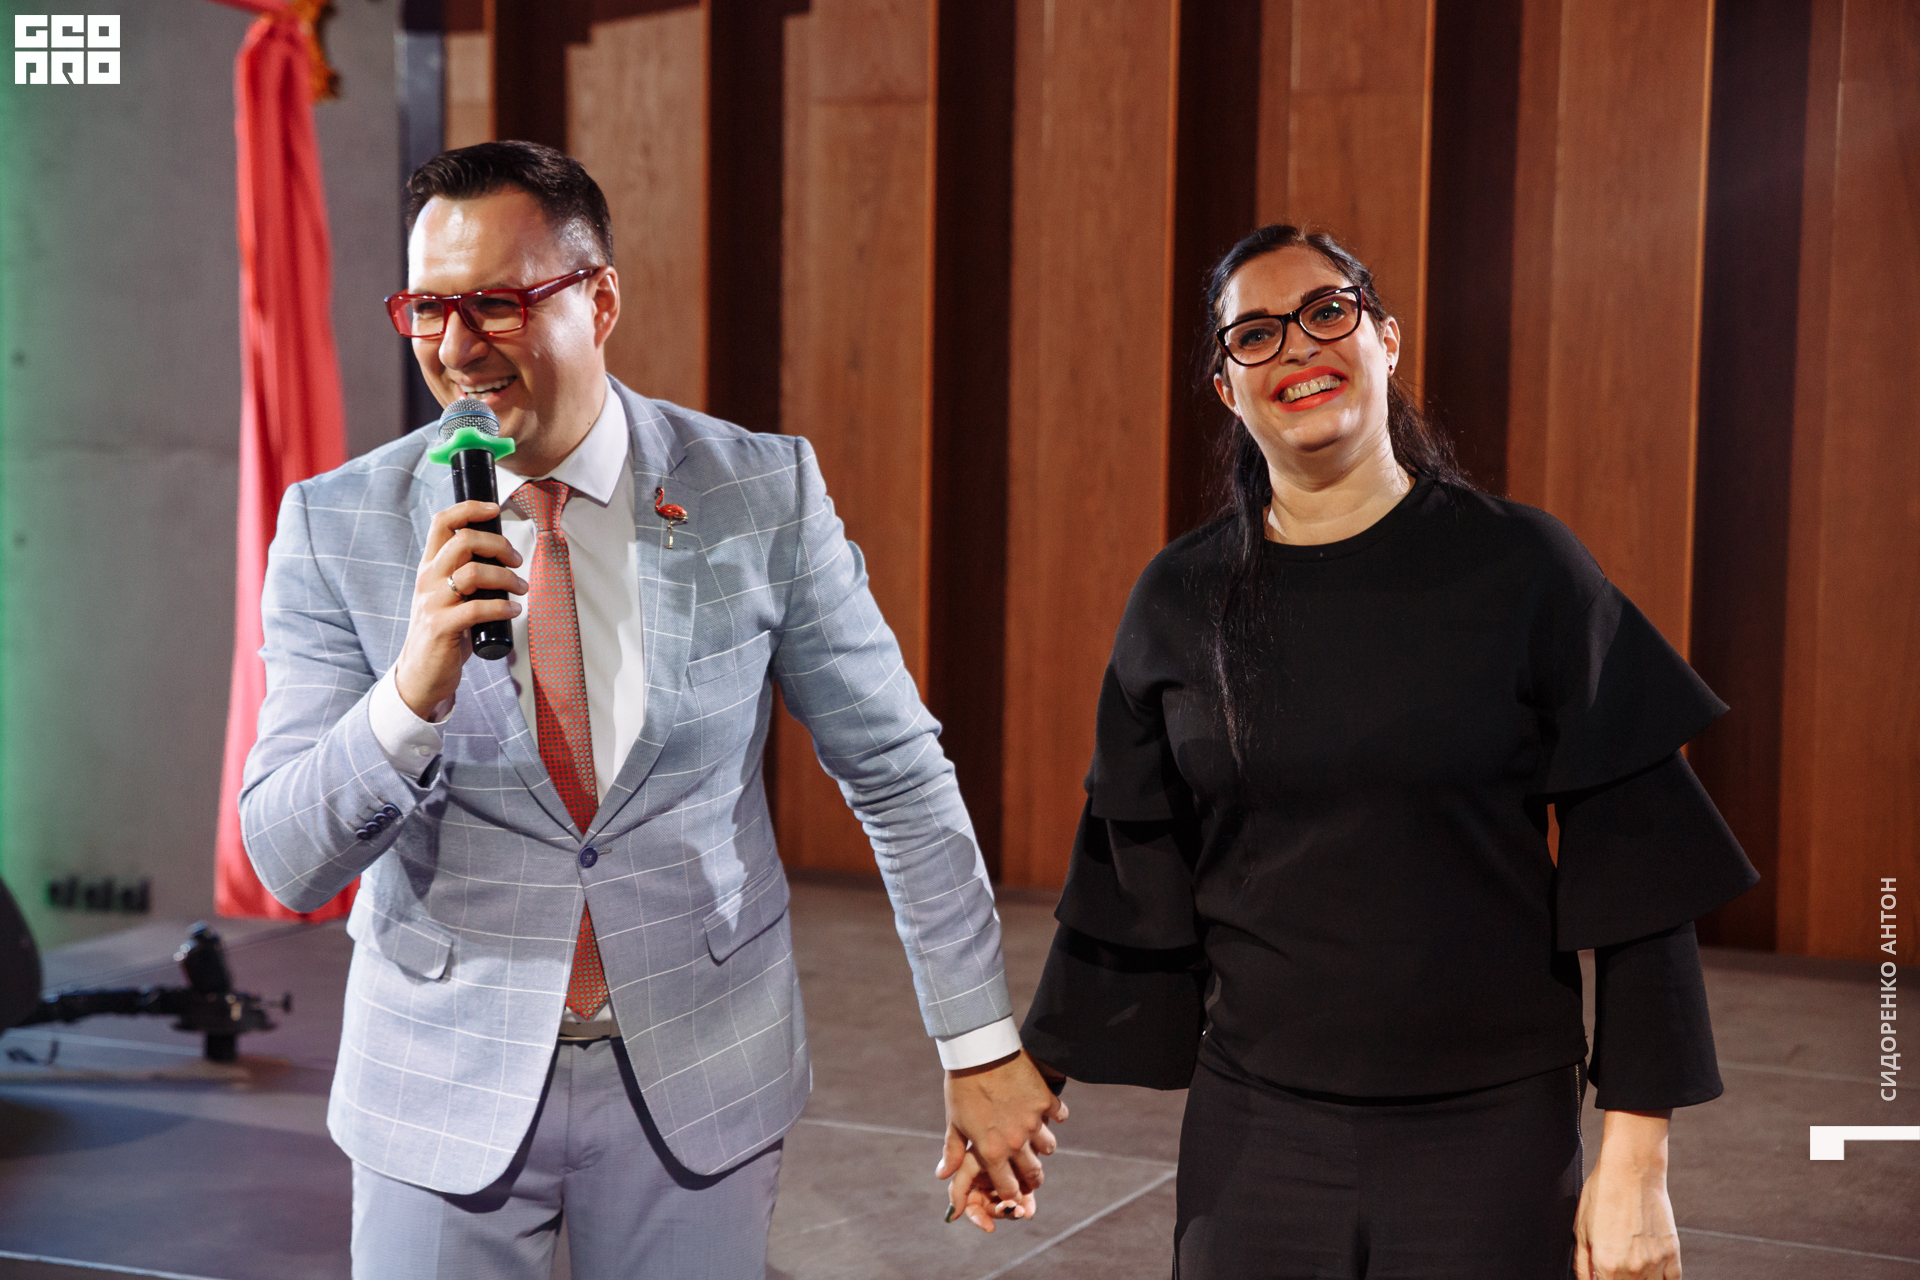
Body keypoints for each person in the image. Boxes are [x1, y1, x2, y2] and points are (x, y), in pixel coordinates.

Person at [239, 141, 1061, 1278]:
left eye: (497, 303)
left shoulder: (758, 490)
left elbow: (898, 774)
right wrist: (409, 693)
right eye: (428, 308)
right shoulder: (336, 524)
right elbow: (286, 860)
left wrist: (978, 1043)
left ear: (600, 299)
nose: (457, 347)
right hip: (440, 1083)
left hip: (701, 1076)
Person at [1013, 225, 1759, 1279]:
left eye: (1328, 312)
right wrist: (1026, 1074)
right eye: (1255, 335)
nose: (1297, 348)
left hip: (1490, 1134)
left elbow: (1640, 869)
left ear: (1387, 339)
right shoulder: (1179, 598)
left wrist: (1636, 1160)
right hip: (1256, 1133)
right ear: (1228, 390)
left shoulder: (1524, 566)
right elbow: (1128, 871)